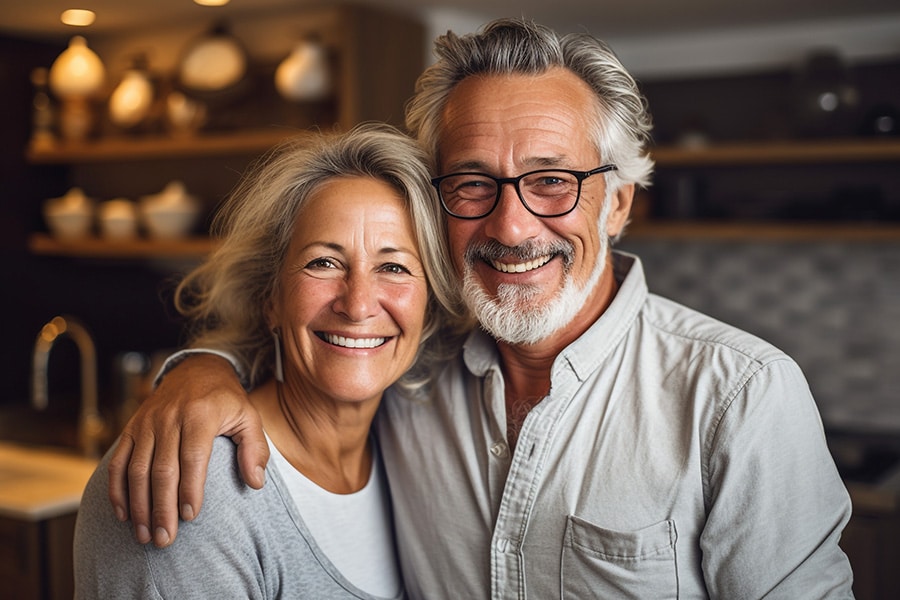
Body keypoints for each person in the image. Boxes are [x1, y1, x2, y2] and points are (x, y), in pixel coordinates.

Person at [108, 19, 855, 598]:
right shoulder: (414, 367)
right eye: (472, 183)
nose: (512, 226)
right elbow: (323, 333)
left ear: (618, 202)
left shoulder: (739, 397)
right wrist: (199, 374)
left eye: (552, 180)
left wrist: (195, 371)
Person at [74, 123, 467, 598]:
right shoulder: (193, 484)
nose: (358, 303)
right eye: (324, 262)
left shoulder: (412, 446)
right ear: (271, 299)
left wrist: (202, 365)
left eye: (394, 267)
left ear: (429, 311)